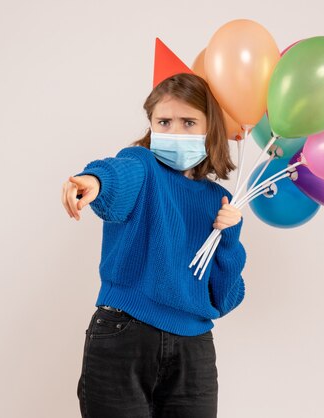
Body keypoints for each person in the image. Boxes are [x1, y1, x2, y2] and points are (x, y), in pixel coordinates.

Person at [61, 73, 246, 418]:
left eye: (188, 122)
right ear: (151, 125)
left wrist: (230, 236)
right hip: (125, 334)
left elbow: (225, 298)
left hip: (195, 352)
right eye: (164, 121)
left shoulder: (221, 203)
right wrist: (93, 181)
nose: (175, 132)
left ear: (211, 129)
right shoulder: (142, 165)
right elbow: (118, 177)